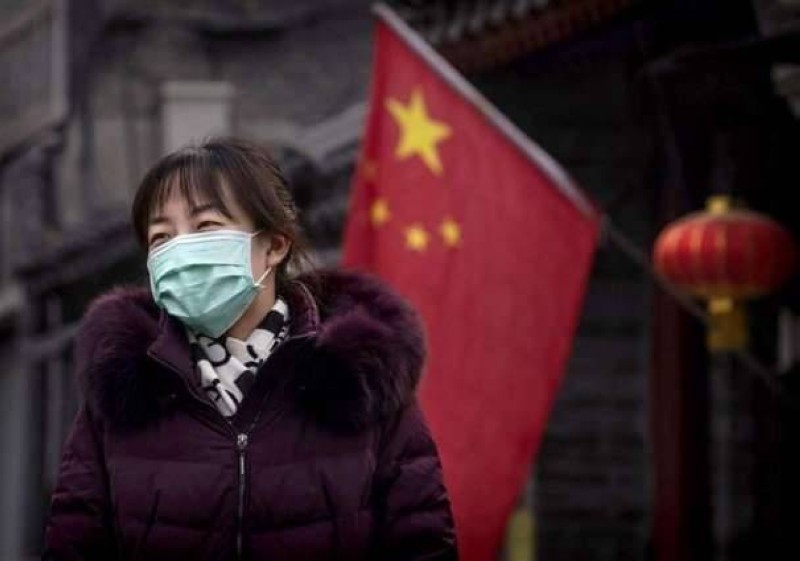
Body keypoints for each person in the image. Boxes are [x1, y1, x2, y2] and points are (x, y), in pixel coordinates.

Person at [42, 137, 458, 560]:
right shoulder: (124, 387)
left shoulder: (360, 380)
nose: (180, 249)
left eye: (206, 226)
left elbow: (422, 542)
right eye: (161, 236)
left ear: (274, 245)